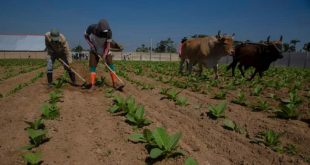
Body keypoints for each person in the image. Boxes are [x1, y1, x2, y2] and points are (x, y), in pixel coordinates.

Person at [84, 19, 120, 90]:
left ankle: (115, 83)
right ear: (99, 28)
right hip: (94, 50)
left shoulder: (109, 32)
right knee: (92, 67)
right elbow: (85, 36)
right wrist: (91, 45)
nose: (105, 32)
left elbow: (108, 45)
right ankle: (92, 85)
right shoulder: (91, 28)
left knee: (110, 65)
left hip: (105, 50)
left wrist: (104, 55)